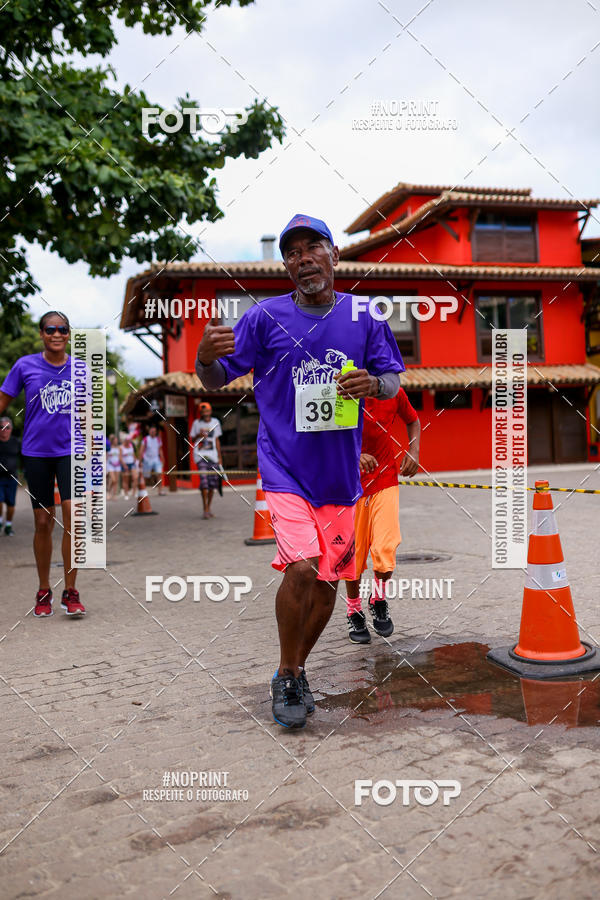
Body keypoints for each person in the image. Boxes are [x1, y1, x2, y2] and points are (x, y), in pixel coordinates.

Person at [195, 213, 405, 728]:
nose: (303, 257)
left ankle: (296, 668)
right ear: (286, 265)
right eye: (292, 252)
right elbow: (217, 378)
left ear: (334, 256)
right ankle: (287, 673)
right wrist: (203, 359)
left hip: (340, 477)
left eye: (313, 247)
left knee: (330, 584)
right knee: (303, 568)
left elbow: (393, 378)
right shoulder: (265, 317)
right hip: (285, 469)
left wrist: (373, 387)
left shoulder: (363, 316)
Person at [0, 311, 86, 617]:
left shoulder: (81, 369)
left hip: (69, 453)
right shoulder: (25, 366)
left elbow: (87, 413)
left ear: (68, 333)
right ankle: (43, 589)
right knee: (42, 522)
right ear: (42, 334)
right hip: (36, 452)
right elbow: (2, 402)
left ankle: (71, 591)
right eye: (51, 329)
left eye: (63, 329)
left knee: (74, 519)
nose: (57, 333)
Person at [345, 388, 421, 643]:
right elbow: (329, 437)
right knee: (353, 555)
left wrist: (414, 450)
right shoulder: (345, 393)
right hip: (349, 485)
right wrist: (353, 455)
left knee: (386, 546)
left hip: (385, 478)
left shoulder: (393, 392)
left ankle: (378, 598)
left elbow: (413, 419)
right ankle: (353, 608)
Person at [190, 402, 223, 519]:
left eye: (207, 411)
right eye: (203, 411)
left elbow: (217, 440)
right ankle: (205, 509)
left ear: (210, 411)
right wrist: (199, 435)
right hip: (200, 456)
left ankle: (208, 507)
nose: (205, 413)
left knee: (212, 484)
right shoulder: (196, 423)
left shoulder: (216, 422)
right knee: (204, 483)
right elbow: (191, 439)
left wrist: (220, 457)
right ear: (201, 413)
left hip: (213, 455)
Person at [0, 416, 20, 535]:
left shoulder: (16, 442)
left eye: (7, 427)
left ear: (11, 429)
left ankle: (8, 525)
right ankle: (0, 520)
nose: (4, 430)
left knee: (11, 503)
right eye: (1, 427)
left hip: (12, 478)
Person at [139, 424, 165, 496]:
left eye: (154, 431)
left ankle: (160, 491)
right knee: (146, 476)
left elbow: (160, 450)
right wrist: (140, 461)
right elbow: (141, 450)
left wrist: (162, 458)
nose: (153, 432)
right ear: (149, 431)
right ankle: (143, 491)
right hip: (147, 460)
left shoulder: (158, 439)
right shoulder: (145, 439)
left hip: (156, 459)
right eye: (152, 431)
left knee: (159, 474)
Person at [120, 434, 137, 499]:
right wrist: (124, 465)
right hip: (125, 464)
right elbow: (120, 457)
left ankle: (134, 492)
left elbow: (133, 454)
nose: (129, 442)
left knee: (135, 478)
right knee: (126, 480)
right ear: (125, 441)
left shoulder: (131, 446)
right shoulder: (121, 447)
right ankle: (126, 494)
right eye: (128, 441)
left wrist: (135, 459)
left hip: (132, 463)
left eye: (129, 441)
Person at [107, 434, 121, 500]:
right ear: (112, 441)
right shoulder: (109, 448)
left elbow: (120, 457)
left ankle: (114, 495)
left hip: (117, 466)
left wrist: (121, 463)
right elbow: (106, 457)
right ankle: (109, 492)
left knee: (116, 481)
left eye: (117, 440)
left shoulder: (119, 448)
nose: (116, 441)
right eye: (115, 440)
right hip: (110, 465)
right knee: (113, 479)